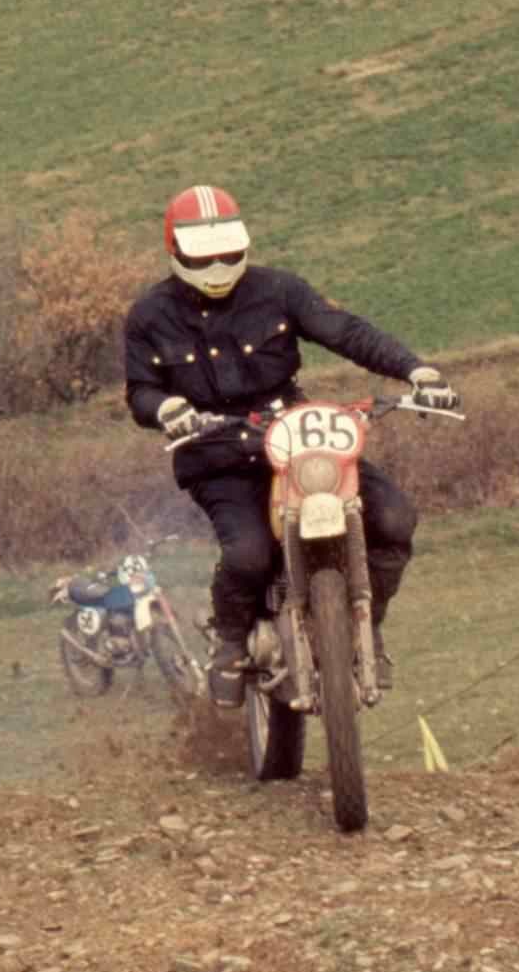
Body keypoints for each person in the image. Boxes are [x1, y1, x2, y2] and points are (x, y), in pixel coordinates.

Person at [124, 185, 459, 706]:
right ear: (176, 252)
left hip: (296, 437)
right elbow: (140, 390)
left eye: (227, 253)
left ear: (244, 243)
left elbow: (345, 330)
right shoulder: (149, 315)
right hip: (217, 453)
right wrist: (167, 408)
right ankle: (230, 644)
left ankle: (365, 624)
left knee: (394, 519)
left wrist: (416, 370)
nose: (217, 266)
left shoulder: (279, 290)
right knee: (250, 554)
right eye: (203, 257)